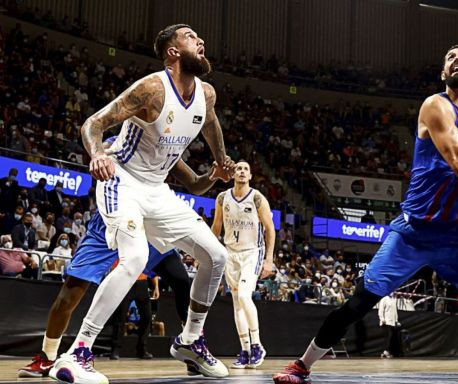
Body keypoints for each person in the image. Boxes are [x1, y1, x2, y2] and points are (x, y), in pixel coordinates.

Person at [273, 45, 458, 384]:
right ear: (443, 74)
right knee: (358, 302)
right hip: (414, 233)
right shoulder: (435, 105)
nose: (457, 59)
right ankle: (302, 365)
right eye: (450, 57)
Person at [50, 23, 235, 383]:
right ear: (173, 52)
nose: (201, 40)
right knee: (134, 258)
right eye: (191, 37)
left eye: (200, 36)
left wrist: (221, 163)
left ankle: (190, 341)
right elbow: (93, 123)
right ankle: (76, 355)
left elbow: (211, 126)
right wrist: (98, 154)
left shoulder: (206, 94)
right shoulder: (152, 88)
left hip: (156, 190)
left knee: (216, 256)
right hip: (121, 178)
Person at [18, 154, 229, 379]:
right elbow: (98, 146)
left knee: (180, 279)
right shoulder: (120, 142)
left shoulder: (166, 143)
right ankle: (48, 357)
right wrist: (99, 158)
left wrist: (213, 175)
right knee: (71, 292)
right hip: (113, 218)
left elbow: (196, 184)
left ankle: (192, 343)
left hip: (151, 220)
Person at [211, 161, 276, 369]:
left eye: (245, 169)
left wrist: (269, 259)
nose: (241, 171)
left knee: (244, 296)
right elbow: (217, 226)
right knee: (237, 304)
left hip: (251, 253)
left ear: (250, 176)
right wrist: (210, 250)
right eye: (238, 168)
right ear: (232, 174)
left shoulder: (257, 198)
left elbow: (270, 229)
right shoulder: (222, 198)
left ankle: (257, 345)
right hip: (231, 253)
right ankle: (246, 350)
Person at [378, 293, 399, 359]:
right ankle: (385, 352)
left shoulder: (394, 299)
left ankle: (384, 352)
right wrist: (382, 319)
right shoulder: (384, 299)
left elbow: (395, 311)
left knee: (390, 338)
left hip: (392, 322)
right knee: (387, 337)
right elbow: (380, 310)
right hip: (386, 322)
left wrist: (396, 320)